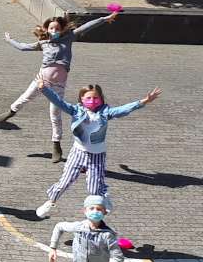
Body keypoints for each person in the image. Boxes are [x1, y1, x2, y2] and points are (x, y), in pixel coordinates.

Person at [0, 12, 118, 163]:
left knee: (55, 115)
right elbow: (23, 47)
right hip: (41, 80)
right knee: (25, 98)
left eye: (57, 28)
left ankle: (56, 145)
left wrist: (104, 19)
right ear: (46, 30)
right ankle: (11, 111)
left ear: (62, 29)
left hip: (58, 85)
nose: (54, 31)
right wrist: (9, 40)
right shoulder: (43, 44)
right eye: (51, 29)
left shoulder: (69, 37)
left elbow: (86, 27)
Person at [34, 82, 161, 218]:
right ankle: (50, 201)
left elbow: (123, 109)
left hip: (97, 155)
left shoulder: (106, 113)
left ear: (101, 99)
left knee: (94, 188)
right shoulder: (76, 111)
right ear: (81, 99)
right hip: (78, 153)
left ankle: (101, 202)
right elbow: (59, 102)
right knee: (65, 181)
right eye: (88, 98)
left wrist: (144, 101)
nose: (92, 101)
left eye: (96, 98)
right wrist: (44, 89)